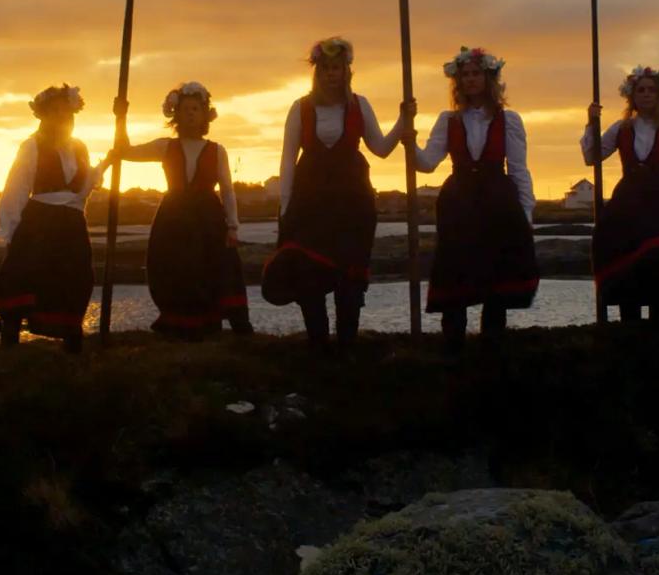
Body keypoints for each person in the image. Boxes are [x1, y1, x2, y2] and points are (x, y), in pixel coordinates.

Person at [262, 37, 410, 349]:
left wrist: (403, 120)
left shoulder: (360, 105)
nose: (332, 74)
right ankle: (318, 343)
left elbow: (380, 148)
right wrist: (285, 207)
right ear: (318, 72)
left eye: (338, 68)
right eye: (327, 68)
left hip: (352, 205)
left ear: (347, 71)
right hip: (309, 205)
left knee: (350, 278)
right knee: (308, 275)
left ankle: (347, 345)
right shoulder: (300, 108)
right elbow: (287, 161)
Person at [412, 46, 538, 355]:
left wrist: (526, 215)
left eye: (476, 74)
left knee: (495, 285)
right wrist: (407, 134)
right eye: (465, 75)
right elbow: (427, 163)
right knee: (455, 280)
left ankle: (491, 353)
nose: (470, 80)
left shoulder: (509, 120)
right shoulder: (448, 120)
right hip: (459, 206)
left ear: (488, 78)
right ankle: (453, 353)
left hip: (498, 205)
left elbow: (519, 170)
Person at [102, 82, 251, 336]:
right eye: (185, 109)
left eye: (195, 109)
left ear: (205, 114)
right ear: (176, 114)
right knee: (176, 269)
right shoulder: (165, 146)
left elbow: (227, 190)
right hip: (174, 219)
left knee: (213, 270)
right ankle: (180, 326)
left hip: (209, 220)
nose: (190, 114)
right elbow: (125, 151)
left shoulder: (217, 151)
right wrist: (121, 118)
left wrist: (233, 226)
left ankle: (218, 325)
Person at [582, 65, 659, 325]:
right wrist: (591, 123)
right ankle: (630, 329)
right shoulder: (621, 128)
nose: (646, 95)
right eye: (641, 90)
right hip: (630, 206)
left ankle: (658, 329)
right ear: (632, 95)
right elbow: (592, 157)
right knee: (628, 263)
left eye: (652, 90)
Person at [0, 85, 103, 352]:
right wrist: (10, 230)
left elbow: (81, 190)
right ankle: (10, 340)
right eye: (55, 113)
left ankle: (71, 340)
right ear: (43, 116)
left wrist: (105, 165)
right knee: (23, 276)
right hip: (39, 221)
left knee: (73, 278)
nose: (61, 118)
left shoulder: (80, 147)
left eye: (66, 113)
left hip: (72, 223)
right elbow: (17, 187)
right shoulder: (32, 146)